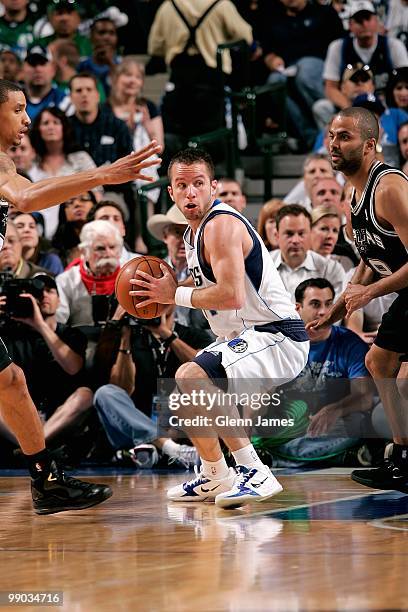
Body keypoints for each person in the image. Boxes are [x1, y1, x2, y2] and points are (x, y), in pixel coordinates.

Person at [0, 77, 161, 514]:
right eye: (17, 109)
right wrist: (105, 174)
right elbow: (29, 199)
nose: (27, 119)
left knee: (11, 382)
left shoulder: (5, 164)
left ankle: (47, 480)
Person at [129, 148, 309, 508]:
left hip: (279, 335)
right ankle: (215, 473)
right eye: (182, 185)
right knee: (186, 381)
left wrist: (173, 294)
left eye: (198, 184)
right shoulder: (191, 236)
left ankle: (254, 471)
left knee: (194, 375)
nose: (191, 193)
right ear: (172, 193)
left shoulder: (222, 225)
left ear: (214, 187)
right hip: (248, 336)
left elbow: (231, 295)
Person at [308, 106, 408, 493]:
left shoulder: (390, 189)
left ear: (370, 145)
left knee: (381, 364)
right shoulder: (353, 193)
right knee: (380, 363)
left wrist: (370, 293)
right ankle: (401, 458)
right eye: (332, 136)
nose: (334, 144)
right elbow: (370, 255)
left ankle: (402, 457)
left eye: (344, 137)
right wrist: (338, 307)